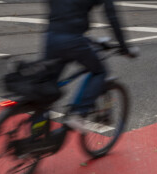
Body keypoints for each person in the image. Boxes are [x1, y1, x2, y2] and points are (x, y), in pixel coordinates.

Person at [44, 0, 137, 131]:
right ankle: (78, 113)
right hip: (73, 39)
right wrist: (124, 47)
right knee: (100, 72)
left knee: (46, 87)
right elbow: (112, 16)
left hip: (51, 36)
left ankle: (35, 138)